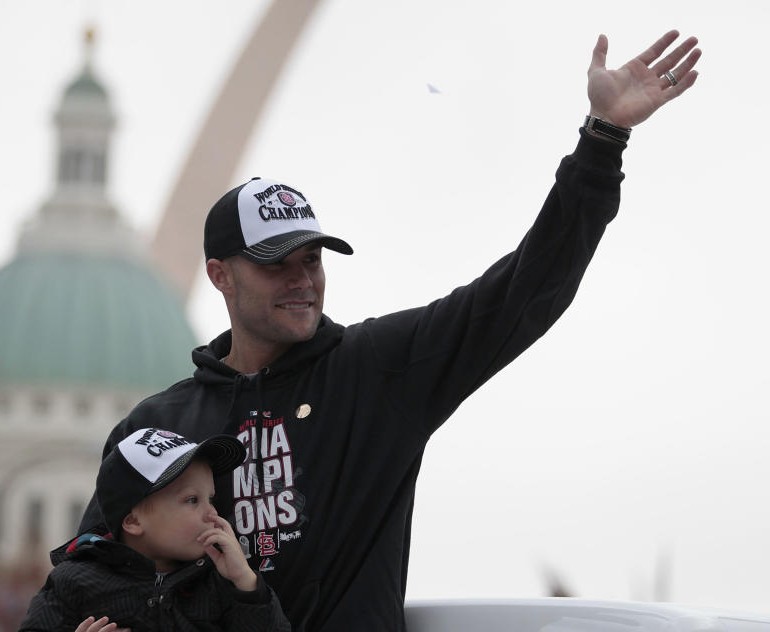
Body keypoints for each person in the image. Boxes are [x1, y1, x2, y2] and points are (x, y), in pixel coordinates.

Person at [73, 30, 702, 632]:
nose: (302, 280)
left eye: (313, 260)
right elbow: (83, 575)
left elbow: (522, 293)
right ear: (219, 276)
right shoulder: (156, 427)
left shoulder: (378, 370)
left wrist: (603, 139)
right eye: (276, 264)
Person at [19, 429, 291, 632]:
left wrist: (245, 582)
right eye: (192, 500)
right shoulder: (74, 581)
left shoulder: (218, 582)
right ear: (133, 522)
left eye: (211, 498)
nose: (212, 512)